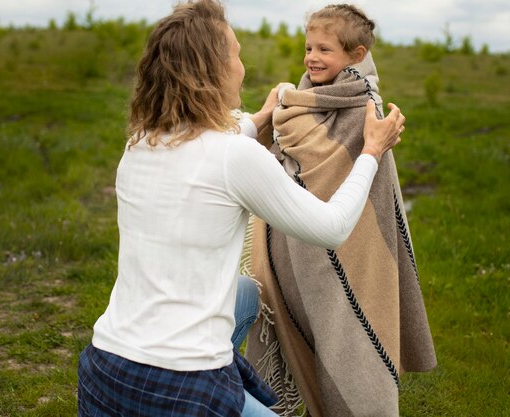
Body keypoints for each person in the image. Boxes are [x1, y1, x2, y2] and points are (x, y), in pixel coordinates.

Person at [76, 1, 406, 416]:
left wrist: (262, 118)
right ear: (212, 70)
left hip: (104, 368)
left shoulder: (142, 141)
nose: (243, 67)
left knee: (247, 294)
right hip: (182, 386)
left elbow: (210, 145)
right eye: (235, 55)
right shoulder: (235, 157)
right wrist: (371, 152)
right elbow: (332, 227)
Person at [244, 4, 437, 417]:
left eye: (325, 50)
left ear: (356, 54)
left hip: (351, 240)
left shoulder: (364, 106)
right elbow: (290, 159)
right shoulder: (304, 97)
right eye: (308, 47)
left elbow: (344, 167)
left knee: (346, 330)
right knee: (307, 327)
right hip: (303, 239)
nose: (312, 57)